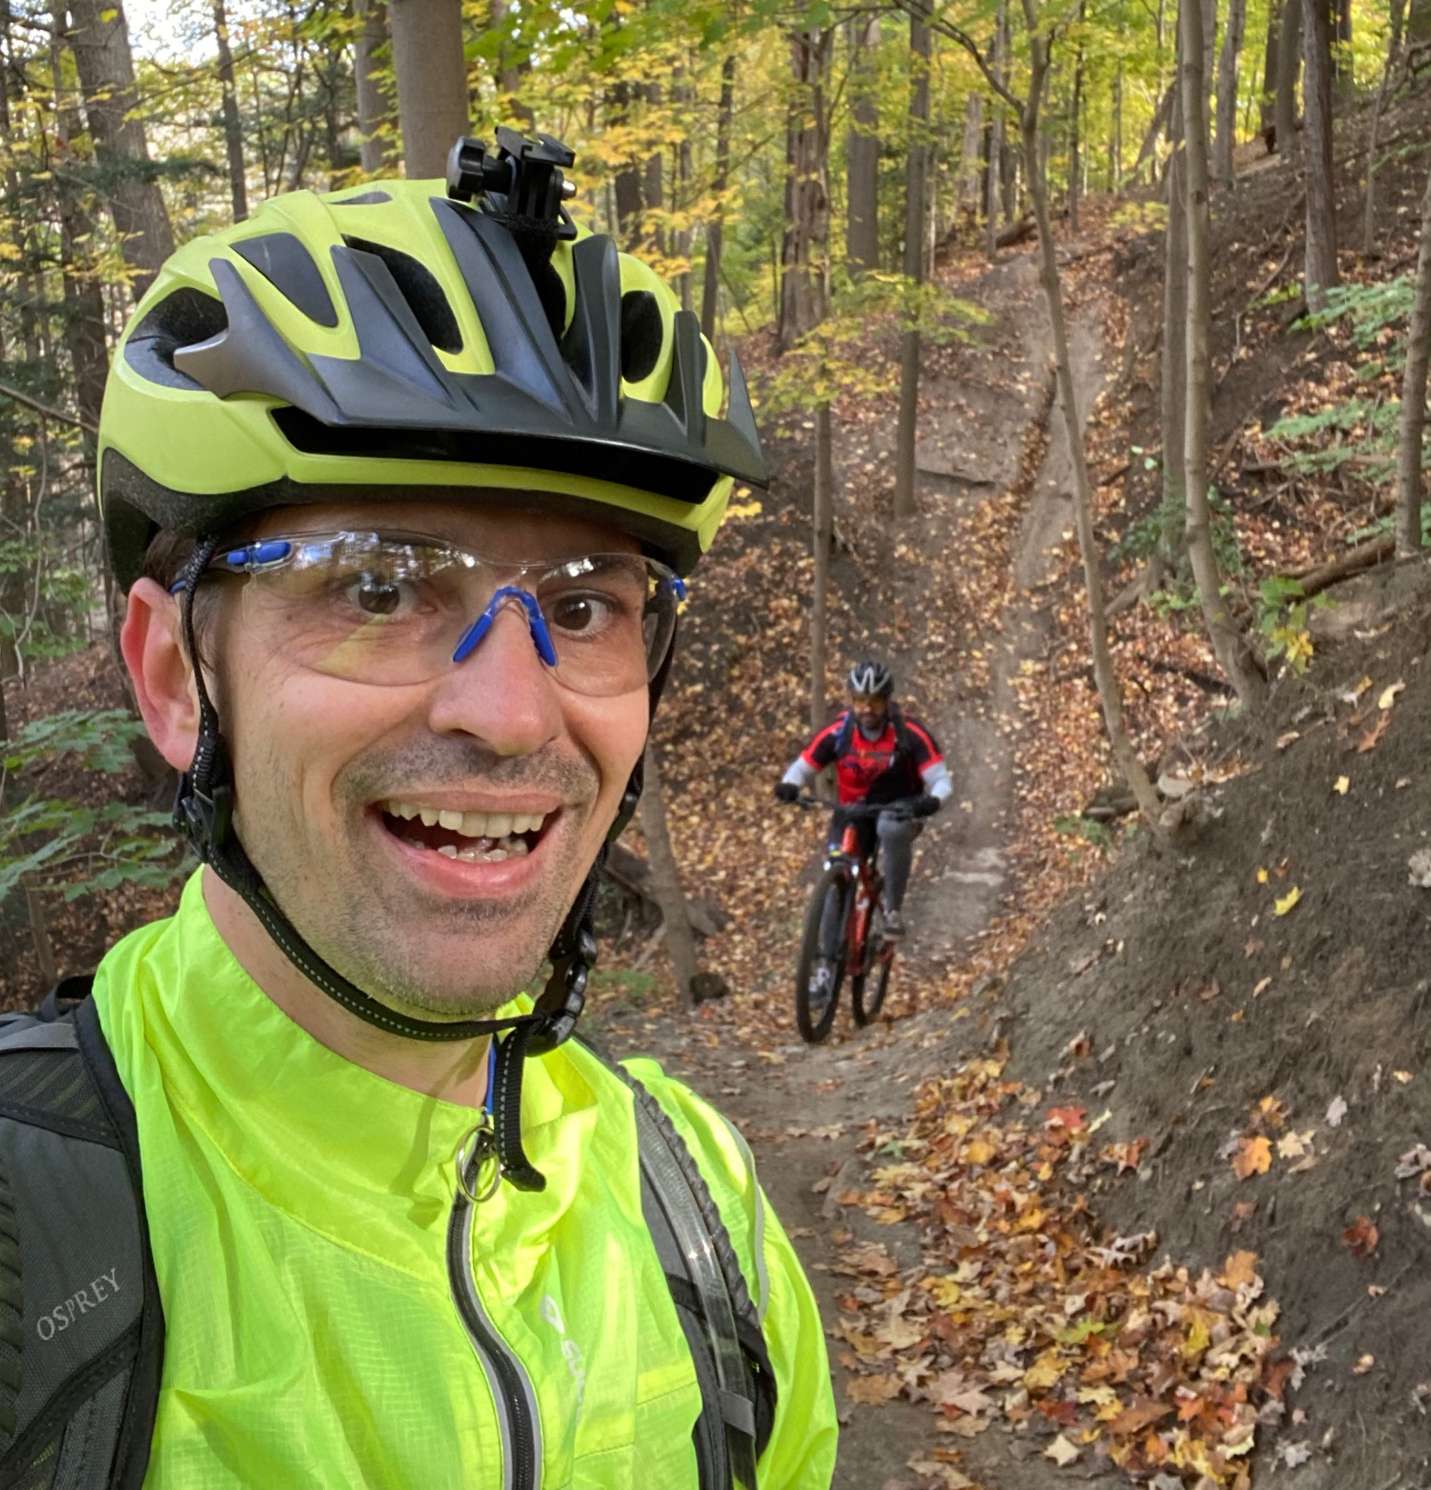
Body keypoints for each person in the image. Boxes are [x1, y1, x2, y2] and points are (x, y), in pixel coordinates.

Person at [0, 128, 836, 1487]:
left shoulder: (706, 1211)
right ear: (172, 676)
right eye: (379, 587)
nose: (509, 713)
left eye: (581, 606)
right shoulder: (24, 1242)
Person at [775, 660, 951, 937]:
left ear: (887, 701)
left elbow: (941, 780)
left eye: (875, 702)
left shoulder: (910, 734)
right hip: (853, 810)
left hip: (899, 808)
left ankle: (892, 911)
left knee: (890, 829)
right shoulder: (838, 731)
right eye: (859, 701)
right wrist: (789, 785)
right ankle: (824, 968)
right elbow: (802, 767)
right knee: (836, 875)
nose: (866, 709)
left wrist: (931, 801)